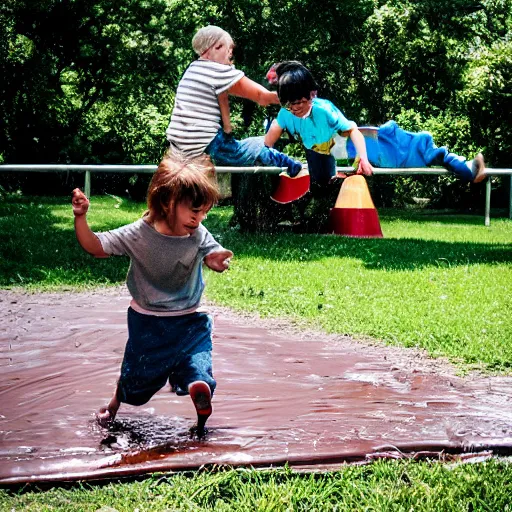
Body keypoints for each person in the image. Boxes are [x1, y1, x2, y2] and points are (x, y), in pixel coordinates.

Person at [71, 152, 233, 438]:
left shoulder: (197, 232)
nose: (199, 218)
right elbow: (96, 247)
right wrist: (81, 218)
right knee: (141, 378)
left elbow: (211, 253)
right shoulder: (138, 234)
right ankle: (121, 401)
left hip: (188, 319)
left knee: (194, 364)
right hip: (151, 322)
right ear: (167, 202)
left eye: (204, 211)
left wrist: (215, 259)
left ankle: (199, 395)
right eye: (194, 211)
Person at [265, 61, 486, 184]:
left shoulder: (325, 111)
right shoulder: (285, 114)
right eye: (289, 104)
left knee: (392, 147)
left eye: (300, 103)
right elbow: (268, 143)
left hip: (341, 143)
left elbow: (353, 131)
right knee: (320, 184)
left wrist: (364, 159)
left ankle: (463, 167)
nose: (295, 109)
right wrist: (276, 156)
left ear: (310, 96)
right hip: (317, 150)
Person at [165, 26, 302, 177]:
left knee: (230, 147)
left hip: (178, 144)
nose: (231, 54)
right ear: (217, 47)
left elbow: (222, 97)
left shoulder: (193, 69)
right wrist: (297, 98)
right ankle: (290, 165)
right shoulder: (219, 71)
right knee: (244, 151)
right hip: (204, 142)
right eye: (229, 49)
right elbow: (263, 97)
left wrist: (228, 129)